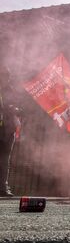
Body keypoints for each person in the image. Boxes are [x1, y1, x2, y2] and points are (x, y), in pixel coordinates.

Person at [0, 67, 22, 197]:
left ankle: (3, 187)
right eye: (3, 76)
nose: (6, 78)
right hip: (4, 129)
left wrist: (16, 109)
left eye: (7, 76)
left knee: (4, 160)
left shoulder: (11, 90)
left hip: (7, 130)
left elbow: (17, 107)